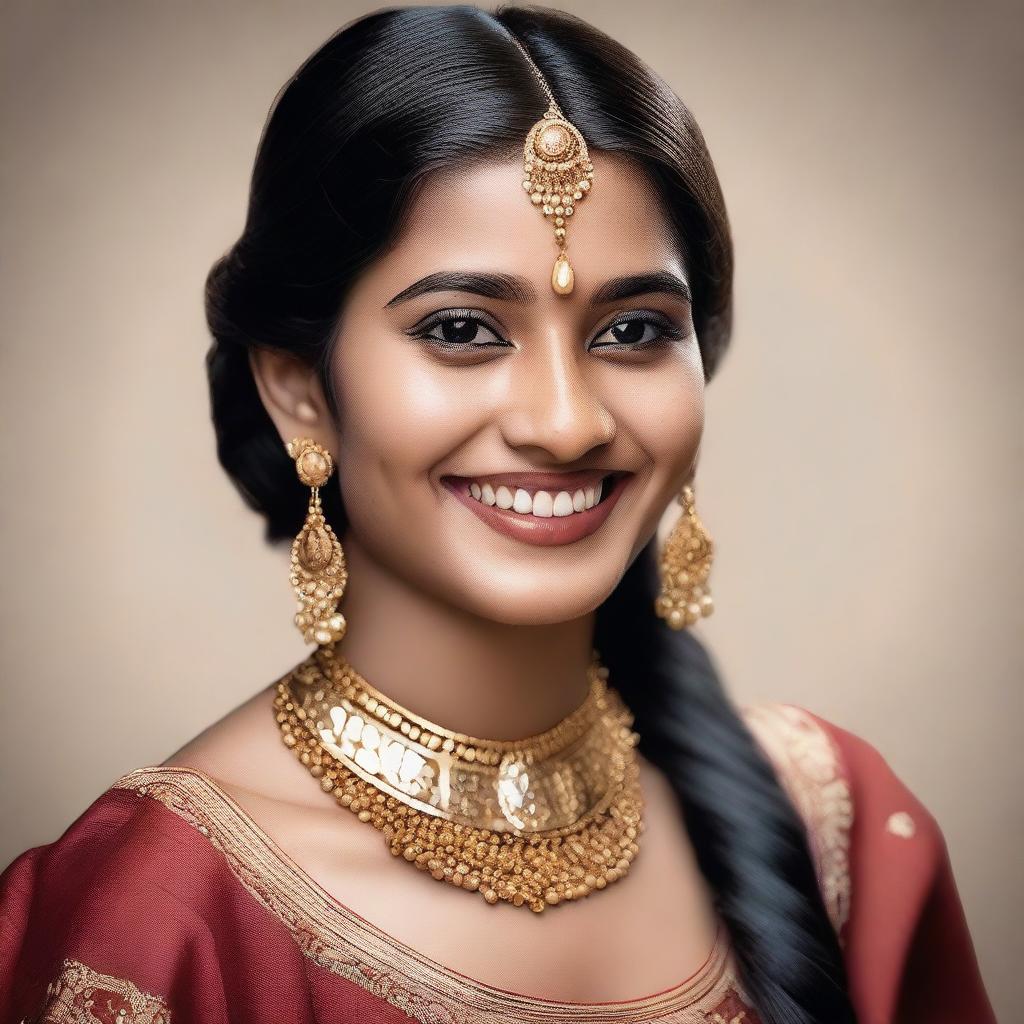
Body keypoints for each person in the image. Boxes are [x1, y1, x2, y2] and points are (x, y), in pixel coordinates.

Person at [0, 6, 996, 1023]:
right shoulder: (154, 920)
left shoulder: (837, 833)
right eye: (465, 329)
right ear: (300, 387)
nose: (566, 424)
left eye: (633, 329)